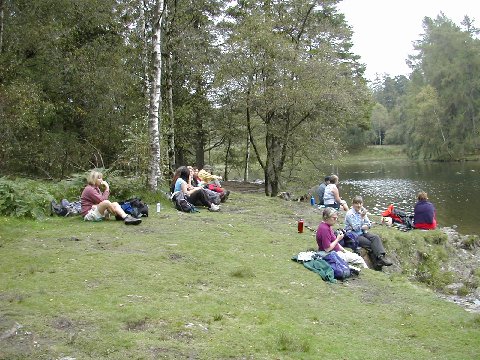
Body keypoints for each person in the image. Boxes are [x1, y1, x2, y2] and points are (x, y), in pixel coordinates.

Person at [344, 196, 392, 269]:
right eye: (356, 203)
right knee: (370, 244)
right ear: (353, 204)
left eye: (360, 203)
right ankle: (377, 263)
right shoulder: (350, 214)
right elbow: (355, 228)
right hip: (353, 235)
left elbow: (369, 224)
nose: (359, 205)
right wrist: (361, 218)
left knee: (375, 238)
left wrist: (363, 224)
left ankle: (381, 257)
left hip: (362, 232)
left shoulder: (362, 211)